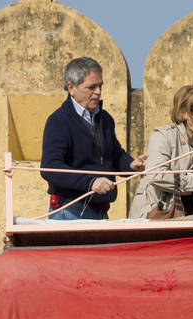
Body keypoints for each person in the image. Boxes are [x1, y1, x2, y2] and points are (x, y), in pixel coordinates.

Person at [40, 56, 145, 220]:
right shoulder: (58, 121)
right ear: (71, 88)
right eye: (92, 87)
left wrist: (131, 165)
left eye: (100, 86)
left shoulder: (105, 119)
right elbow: (50, 167)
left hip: (101, 212)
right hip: (69, 211)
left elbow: (115, 156)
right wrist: (90, 183)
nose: (98, 92)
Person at [129, 85, 193, 219]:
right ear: (185, 112)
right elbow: (155, 175)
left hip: (190, 219)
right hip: (155, 216)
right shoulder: (163, 136)